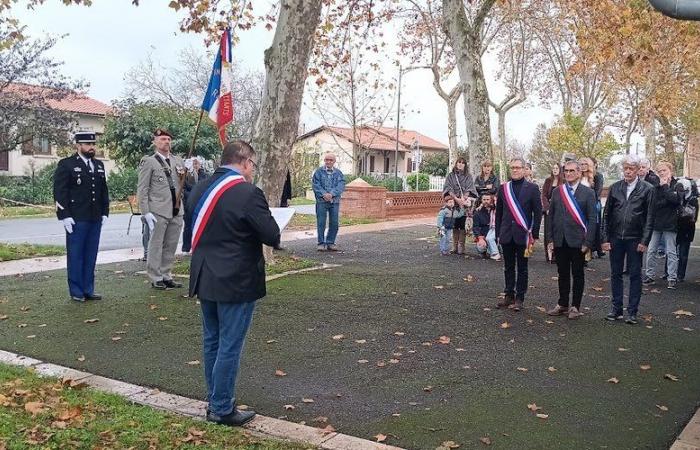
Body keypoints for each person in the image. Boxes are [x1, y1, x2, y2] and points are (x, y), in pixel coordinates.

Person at [187, 140, 280, 427]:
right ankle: (222, 408)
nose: (252, 169)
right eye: (252, 164)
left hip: (205, 276)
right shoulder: (248, 193)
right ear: (244, 161)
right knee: (229, 344)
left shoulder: (200, 188)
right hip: (236, 279)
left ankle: (214, 399)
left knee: (212, 341)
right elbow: (271, 234)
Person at [52, 131, 110, 302]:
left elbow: (103, 191)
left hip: (95, 217)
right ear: (78, 146)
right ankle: (76, 291)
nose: (91, 147)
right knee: (76, 255)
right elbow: (60, 191)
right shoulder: (67, 164)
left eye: (93, 144)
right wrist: (64, 215)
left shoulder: (98, 164)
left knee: (91, 254)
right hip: (77, 218)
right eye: (87, 144)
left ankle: (88, 289)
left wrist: (105, 211)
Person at [601, 155, 655, 325]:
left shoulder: (647, 189)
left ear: (639, 170)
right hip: (616, 237)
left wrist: (644, 241)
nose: (628, 171)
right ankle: (616, 309)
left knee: (635, 275)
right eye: (625, 168)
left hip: (635, 238)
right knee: (615, 274)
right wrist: (604, 238)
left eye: (631, 168)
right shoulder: (615, 188)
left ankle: (632, 312)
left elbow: (650, 218)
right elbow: (606, 214)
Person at [546, 161, 597, 320]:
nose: (568, 174)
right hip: (560, 240)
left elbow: (593, 219)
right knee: (562, 274)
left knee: (578, 274)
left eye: (572, 171)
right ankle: (562, 304)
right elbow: (550, 216)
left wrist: (588, 243)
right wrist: (549, 239)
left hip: (578, 241)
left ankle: (575, 306)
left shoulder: (588, 193)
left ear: (579, 173)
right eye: (566, 171)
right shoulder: (557, 192)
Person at [137, 128, 186, 290]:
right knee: (156, 244)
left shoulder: (178, 161)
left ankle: (166, 274)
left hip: (176, 209)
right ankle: (155, 276)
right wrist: (146, 212)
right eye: (162, 139)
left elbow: (188, 182)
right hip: (158, 209)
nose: (166, 142)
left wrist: (193, 169)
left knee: (171, 244)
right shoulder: (149, 162)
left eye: (168, 139)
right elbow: (143, 189)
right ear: (155, 142)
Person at [495, 157, 542, 311]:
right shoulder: (503, 188)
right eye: (512, 167)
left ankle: (520, 297)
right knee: (508, 267)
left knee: (522, 268)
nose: (515, 170)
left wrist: (534, 234)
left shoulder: (533, 188)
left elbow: (537, 212)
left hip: (523, 235)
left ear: (524, 169)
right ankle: (509, 294)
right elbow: (499, 213)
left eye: (518, 167)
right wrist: (497, 233)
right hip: (507, 233)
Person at [642, 161, 684, 289]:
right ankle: (650, 275)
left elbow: (677, 201)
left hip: (671, 223)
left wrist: (665, 188)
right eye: (659, 172)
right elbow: (654, 204)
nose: (662, 173)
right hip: (656, 222)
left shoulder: (678, 185)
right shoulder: (655, 187)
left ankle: (672, 277)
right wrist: (667, 198)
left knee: (671, 251)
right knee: (651, 250)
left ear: (670, 171)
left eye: (664, 170)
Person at [443, 157, 478, 254]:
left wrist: (464, 199)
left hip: (464, 204)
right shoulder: (450, 175)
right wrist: (456, 199)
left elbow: (470, 187)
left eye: (463, 163)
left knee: (462, 225)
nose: (460, 164)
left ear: (465, 165)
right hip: (453, 203)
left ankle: (461, 246)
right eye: (459, 162)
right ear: (456, 163)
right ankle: (454, 246)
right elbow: (448, 187)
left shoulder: (468, 176)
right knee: (454, 224)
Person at [312, 153, 345, 251]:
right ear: (324, 161)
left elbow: (341, 185)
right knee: (321, 222)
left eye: (331, 160)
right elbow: (315, 185)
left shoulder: (339, 173)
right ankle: (321, 243)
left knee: (334, 223)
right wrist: (324, 194)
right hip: (321, 201)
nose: (328, 162)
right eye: (327, 160)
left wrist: (332, 194)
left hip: (334, 201)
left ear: (334, 161)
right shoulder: (318, 172)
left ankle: (330, 242)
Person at [182, 158, 208, 253]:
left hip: (199, 204)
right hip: (188, 204)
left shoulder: (203, 175)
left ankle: (198, 246)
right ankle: (186, 247)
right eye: (193, 163)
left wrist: (194, 192)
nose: (195, 165)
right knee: (188, 226)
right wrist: (193, 194)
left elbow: (202, 186)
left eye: (197, 163)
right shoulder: (186, 175)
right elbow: (183, 187)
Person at [676, 177, 698, 282]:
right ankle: (669, 272)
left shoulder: (692, 200)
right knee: (671, 252)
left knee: (683, 254)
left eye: (681, 190)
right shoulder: (677, 198)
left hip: (687, 230)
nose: (680, 192)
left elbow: (691, 216)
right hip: (676, 228)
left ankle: (680, 275)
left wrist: (679, 208)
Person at [541, 164, 562, 263]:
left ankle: (557, 254)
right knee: (548, 232)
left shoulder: (564, 181)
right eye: (553, 168)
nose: (555, 170)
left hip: (559, 210)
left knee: (557, 231)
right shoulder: (548, 181)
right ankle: (549, 255)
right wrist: (547, 207)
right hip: (548, 210)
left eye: (557, 168)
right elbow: (544, 195)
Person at [472, 193, 500, 260]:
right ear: (481, 200)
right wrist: (480, 238)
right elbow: (475, 227)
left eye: (488, 199)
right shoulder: (477, 212)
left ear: (491, 200)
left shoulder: (494, 210)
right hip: (483, 235)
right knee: (481, 247)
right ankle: (484, 251)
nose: (486, 201)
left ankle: (496, 250)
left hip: (496, 233)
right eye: (484, 199)